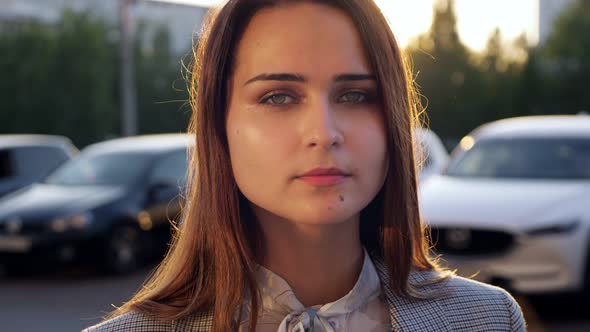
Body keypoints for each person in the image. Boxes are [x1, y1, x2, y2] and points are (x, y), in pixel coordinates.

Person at [84, 0, 526, 331]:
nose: (323, 131)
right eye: (278, 96)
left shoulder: (489, 319)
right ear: (220, 126)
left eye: (355, 95)